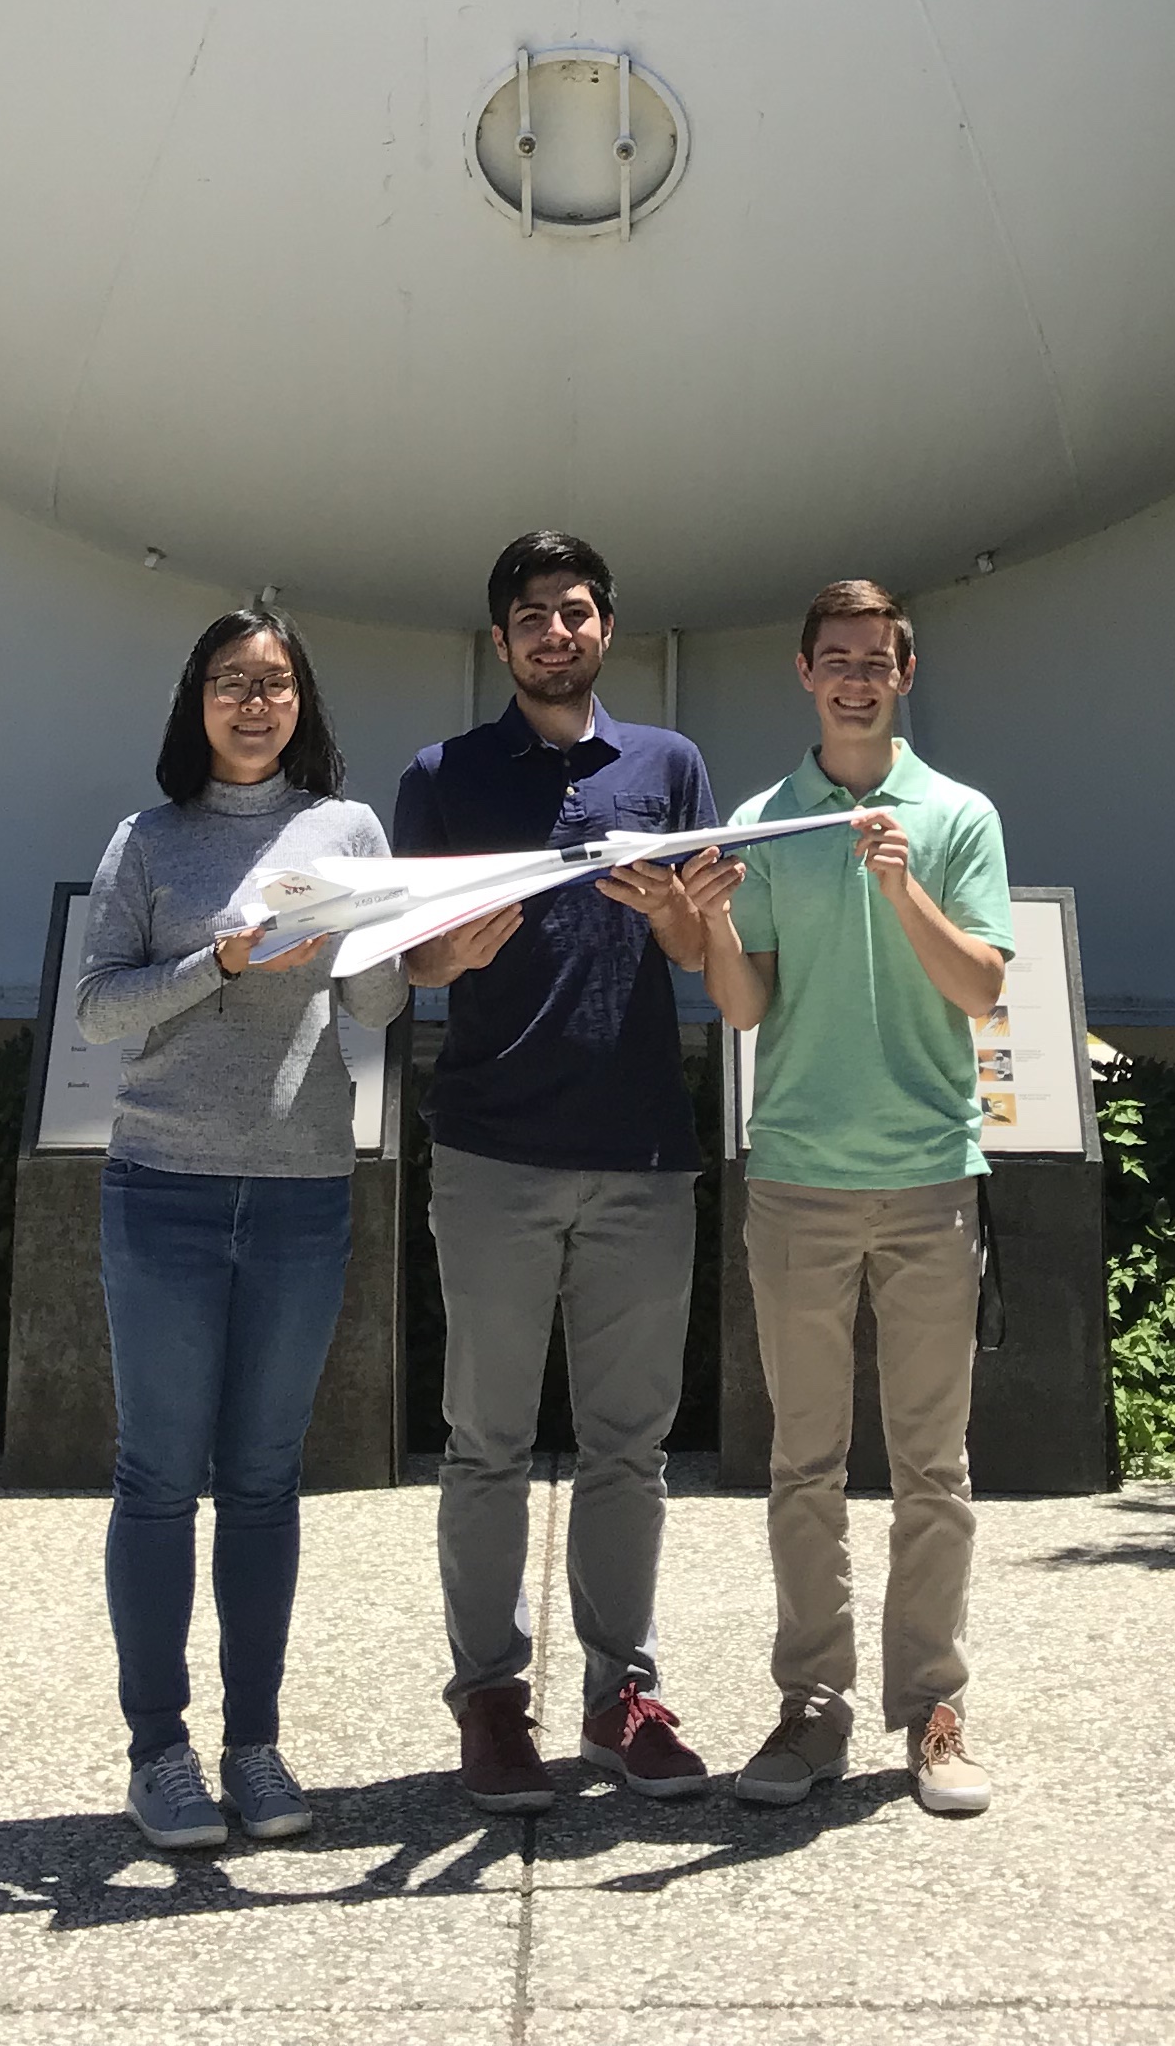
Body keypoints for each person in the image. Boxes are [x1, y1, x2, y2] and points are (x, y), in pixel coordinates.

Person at [392, 531, 739, 1811]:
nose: (556, 631)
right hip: (492, 1149)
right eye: (532, 614)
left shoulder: (668, 765)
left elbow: (702, 950)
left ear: (606, 630)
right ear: (502, 640)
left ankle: (619, 1695)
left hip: (642, 1150)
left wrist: (683, 920)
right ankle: (491, 1700)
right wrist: (450, 957)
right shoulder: (443, 776)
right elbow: (410, 960)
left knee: (629, 1448)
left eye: (576, 610)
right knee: (484, 1442)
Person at [77, 604, 410, 1852]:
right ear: (197, 702)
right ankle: (157, 1752)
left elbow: (374, 1003)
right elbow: (98, 1009)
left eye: (274, 684)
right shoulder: (148, 840)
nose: (254, 704)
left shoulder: (348, 832)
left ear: (302, 702)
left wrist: (417, 947)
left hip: (301, 1188)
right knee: (160, 1477)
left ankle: (254, 1745)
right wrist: (215, 964)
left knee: (267, 1481)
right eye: (231, 682)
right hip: (162, 1185)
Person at [692, 578, 1012, 1821]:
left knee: (934, 1468)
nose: (857, 679)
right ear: (805, 674)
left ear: (905, 675)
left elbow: (980, 989)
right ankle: (812, 1706)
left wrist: (901, 886)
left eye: (877, 661)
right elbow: (744, 1008)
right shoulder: (765, 822)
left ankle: (933, 1708)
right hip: (797, 1180)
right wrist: (713, 929)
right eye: (837, 659)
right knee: (803, 1466)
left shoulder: (958, 816)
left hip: (930, 1179)